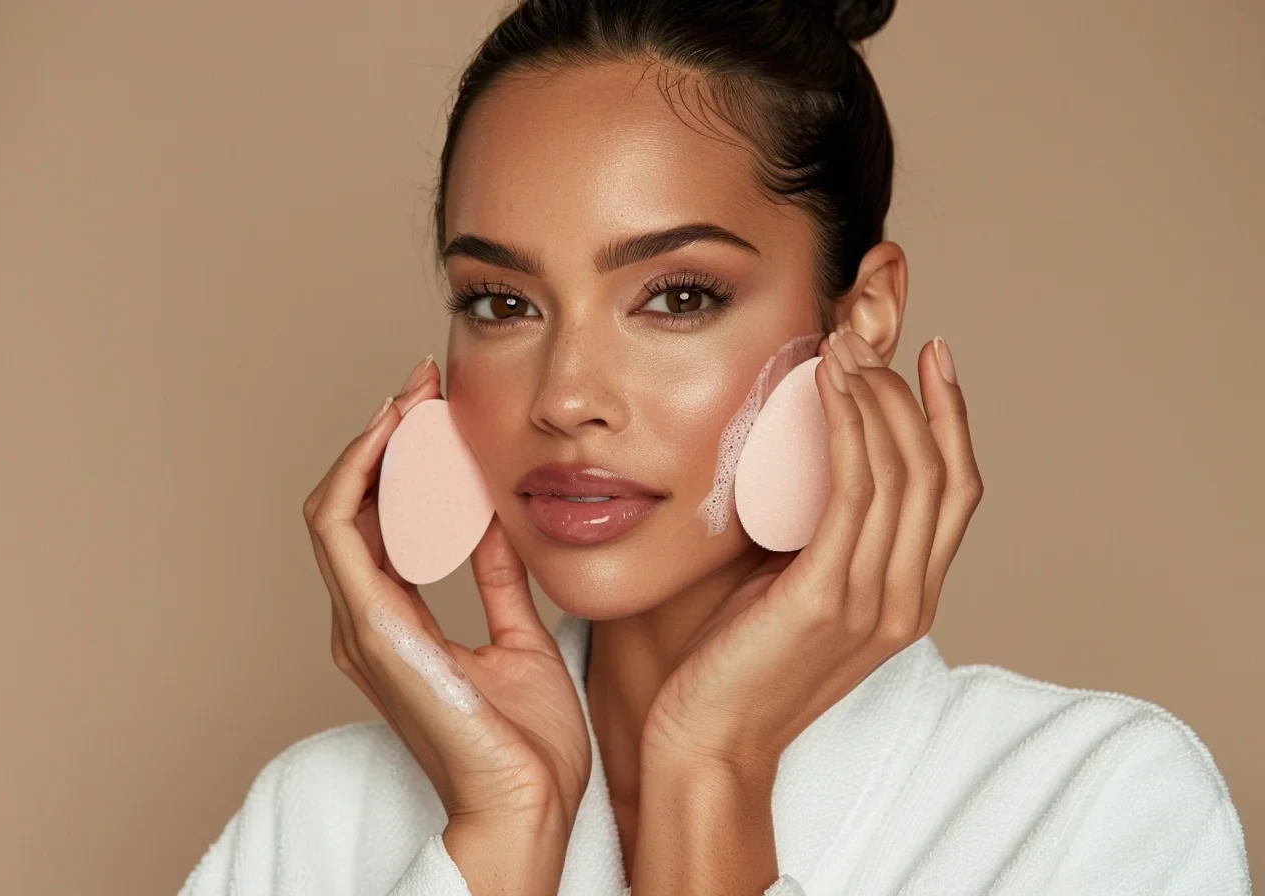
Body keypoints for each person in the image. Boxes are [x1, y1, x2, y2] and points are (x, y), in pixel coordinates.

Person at [179, 1, 1251, 893]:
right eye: (502, 302)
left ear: (863, 312)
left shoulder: (1096, 806)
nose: (566, 396)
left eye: (678, 295)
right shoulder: (317, 823)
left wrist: (711, 778)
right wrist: (499, 842)